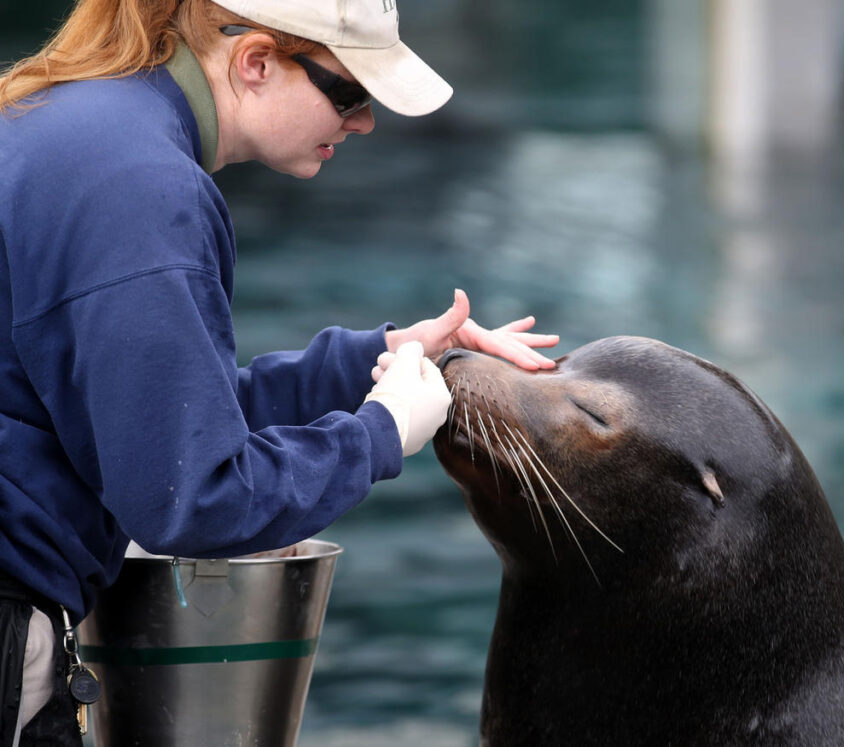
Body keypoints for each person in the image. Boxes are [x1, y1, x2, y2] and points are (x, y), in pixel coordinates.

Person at [0, 0, 559, 742]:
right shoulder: (142, 189)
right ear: (255, 62)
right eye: (349, 93)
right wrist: (381, 434)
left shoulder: (66, 124)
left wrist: (376, 361)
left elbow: (152, 414)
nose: (363, 123)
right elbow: (193, 497)